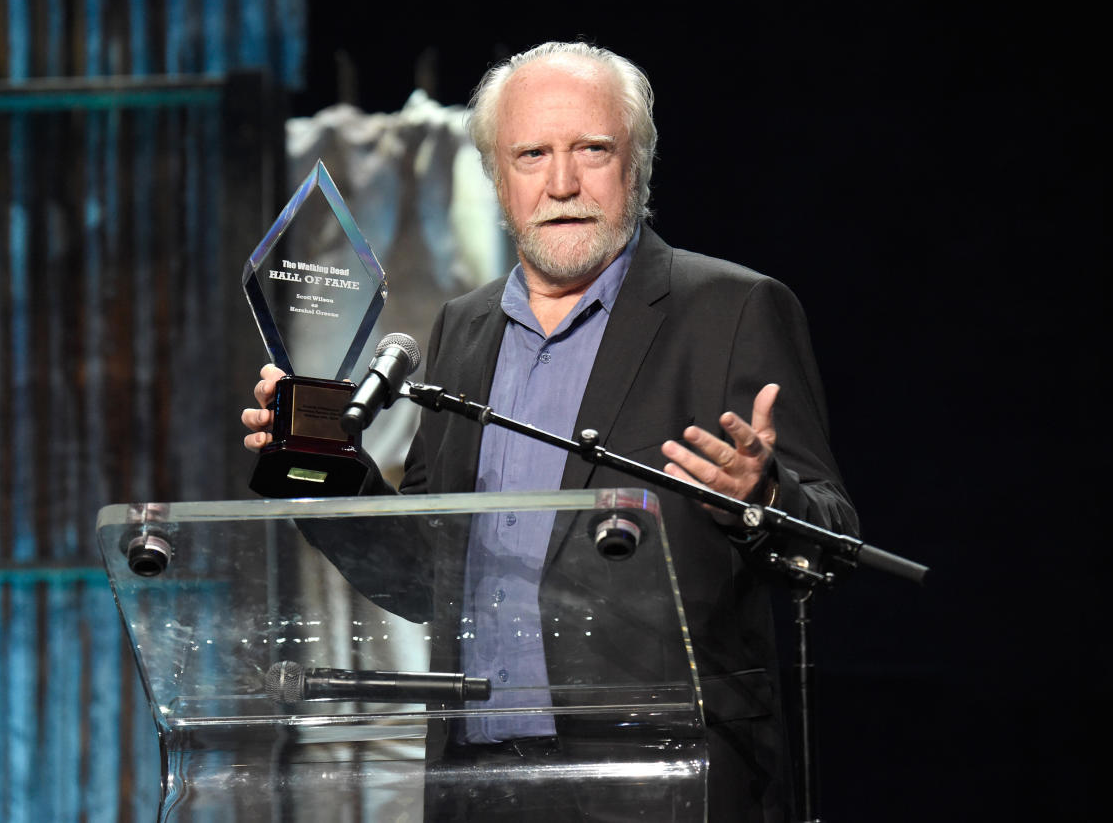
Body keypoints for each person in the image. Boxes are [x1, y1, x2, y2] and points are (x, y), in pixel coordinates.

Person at [244, 41, 856, 822]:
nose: (562, 183)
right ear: (500, 180)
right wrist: (327, 469)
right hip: (480, 778)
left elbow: (831, 538)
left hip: (663, 777)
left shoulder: (733, 310)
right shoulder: (462, 328)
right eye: (532, 154)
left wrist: (760, 496)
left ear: (637, 164)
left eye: (591, 150)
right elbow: (426, 577)